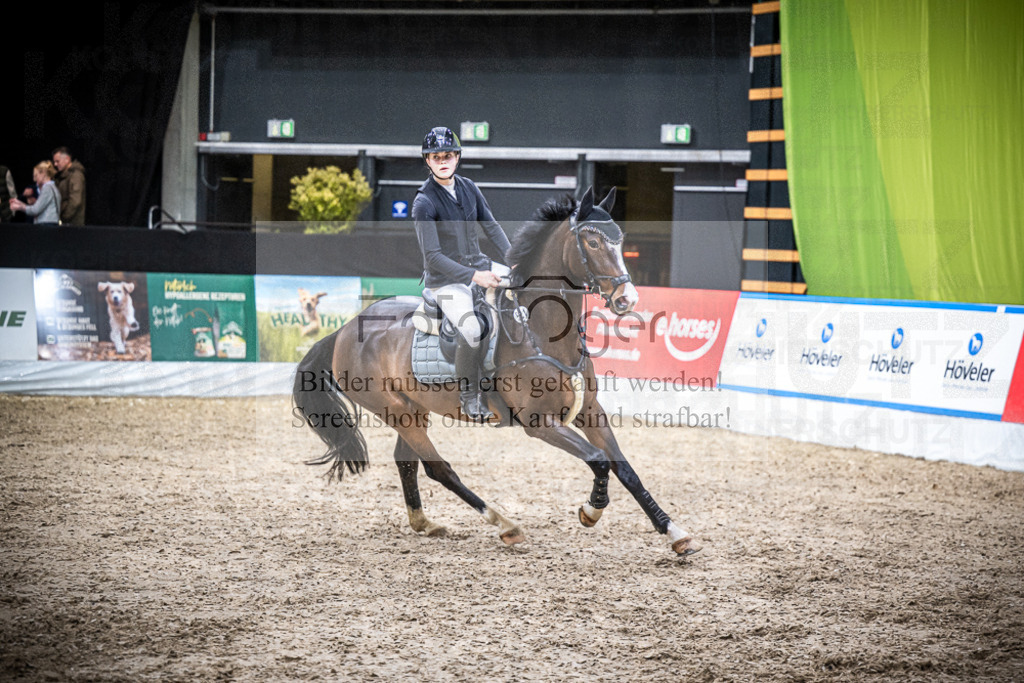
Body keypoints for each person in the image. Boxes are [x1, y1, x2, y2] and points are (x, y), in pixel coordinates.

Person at [412, 126, 512, 422]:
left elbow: (491, 227)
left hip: (479, 264)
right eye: (436, 157)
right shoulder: (424, 202)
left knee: (528, 284)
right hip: (446, 281)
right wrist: (474, 276)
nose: (443, 161)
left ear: (457, 157)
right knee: (470, 329)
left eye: (448, 155)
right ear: (428, 161)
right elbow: (432, 257)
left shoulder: (469, 187)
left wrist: (515, 261)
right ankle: (469, 395)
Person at [52, 146, 86, 225]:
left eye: (57, 161)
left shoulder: (76, 176)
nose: (55, 164)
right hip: (65, 222)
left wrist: (64, 217)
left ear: (67, 159)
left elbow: (75, 201)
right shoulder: (61, 176)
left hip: (72, 224)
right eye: (54, 162)